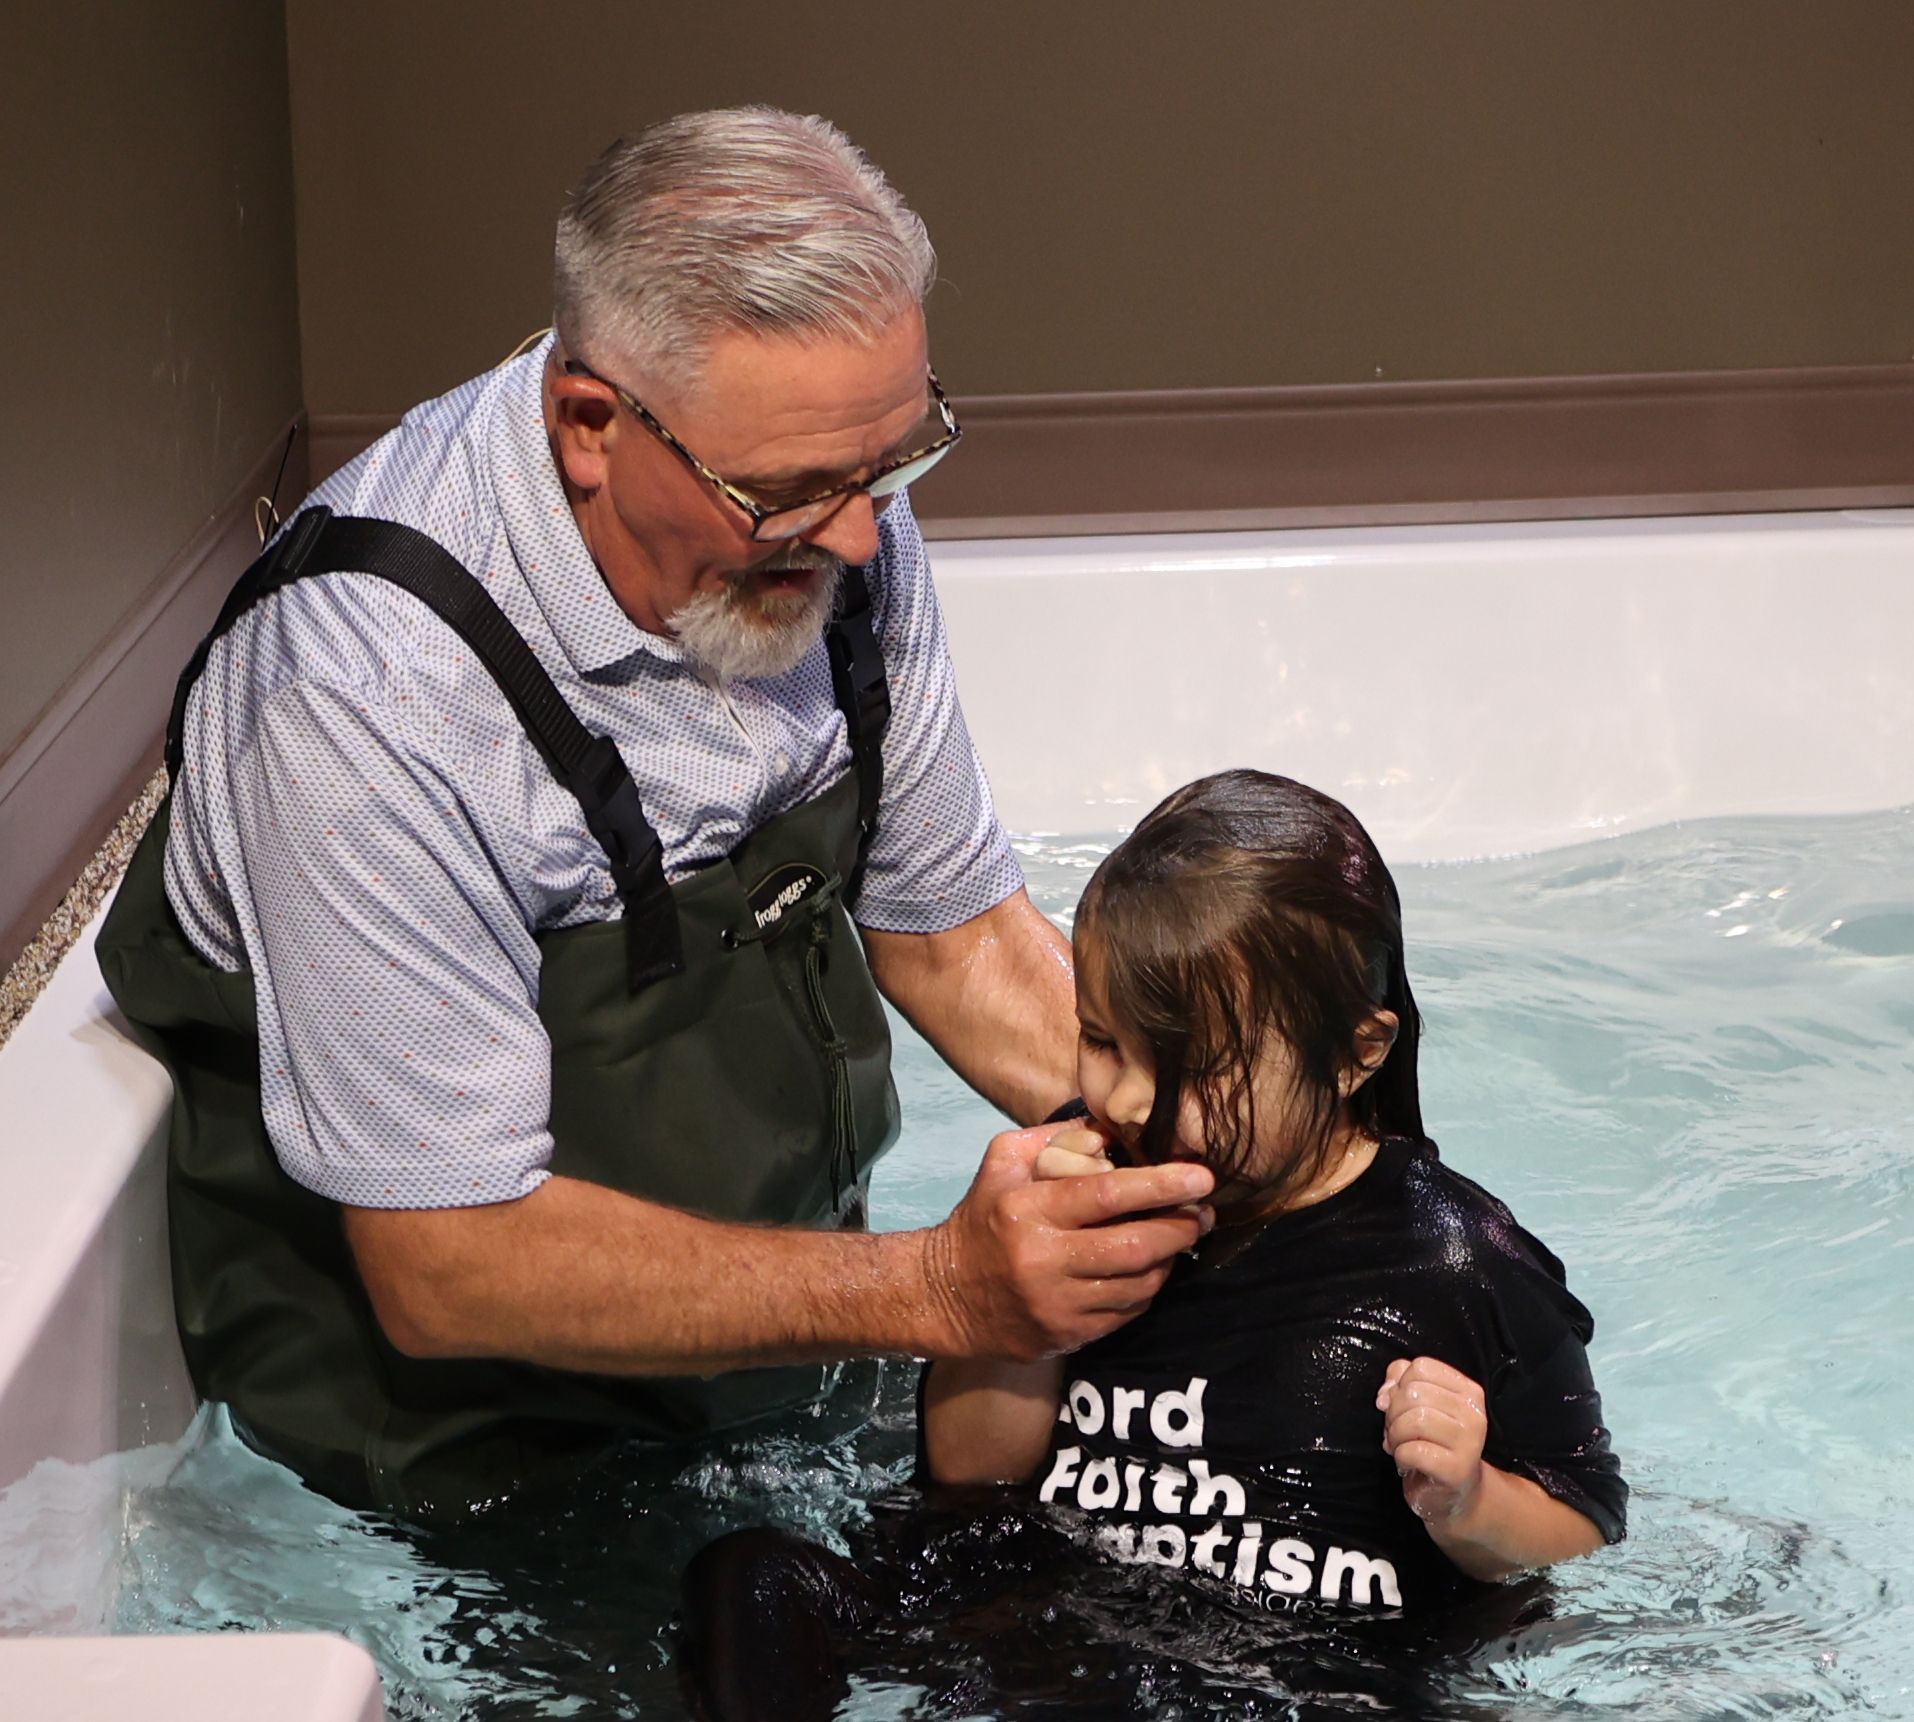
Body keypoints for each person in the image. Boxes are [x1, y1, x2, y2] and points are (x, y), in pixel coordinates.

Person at [96, 107, 1212, 1517]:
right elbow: (448, 1260)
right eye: (796, 493)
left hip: (785, 1335)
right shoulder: (368, 690)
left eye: (891, 466)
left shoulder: (824, 502)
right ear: (588, 424)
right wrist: (936, 1286)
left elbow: (956, 939)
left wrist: (1249, 1155)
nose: (865, 538)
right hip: (475, 1449)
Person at [679, 770, 1625, 1718]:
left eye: (1196, 1066)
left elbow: (1584, 1525)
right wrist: (1015, 1308)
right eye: (1102, 1041)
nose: (1128, 1101)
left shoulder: (1460, 1267)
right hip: (1050, 1625)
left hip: (1291, 1670)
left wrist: (1467, 1503)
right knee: (751, 1579)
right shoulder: (1074, 1193)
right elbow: (970, 1483)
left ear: (1354, 1053)